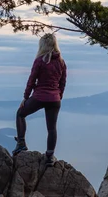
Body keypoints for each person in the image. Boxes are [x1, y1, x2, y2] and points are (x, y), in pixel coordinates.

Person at [13, 33, 67, 167]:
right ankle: (49, 157)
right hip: (55, 99)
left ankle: (21, 144)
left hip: (40, 97)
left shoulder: (40, 60)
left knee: (20, 114)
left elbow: (31, 81)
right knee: (52, 128)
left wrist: (25, 98)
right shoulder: (61, 62)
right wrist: (59, 95)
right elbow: (63, 82)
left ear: (42, 45)